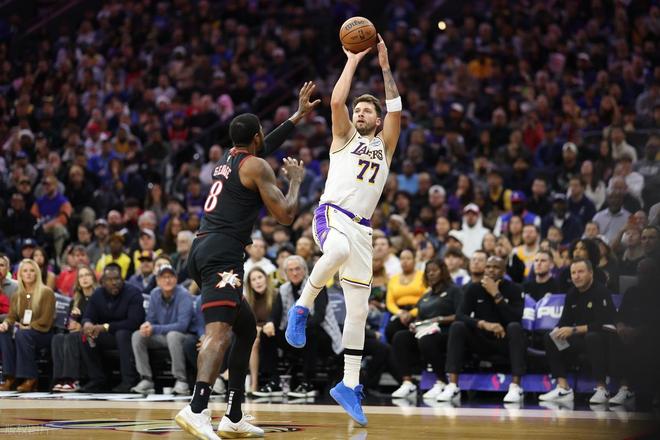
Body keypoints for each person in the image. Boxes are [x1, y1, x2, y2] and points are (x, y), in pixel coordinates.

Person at [176, 81, 318, 439]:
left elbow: (263, 147)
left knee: (245, 327)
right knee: (219, 332)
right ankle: (196, 408)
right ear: (256, 137)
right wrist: (296, 182)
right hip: (223, 254)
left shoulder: (229, 159)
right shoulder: (257, 166)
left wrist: (297, 117)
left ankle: (234, 414)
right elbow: (285, 215)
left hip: (202, 248)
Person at [285, 35, 401, 426]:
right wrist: (352, 60)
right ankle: (302, 307)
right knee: (334, 252)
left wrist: (384, 67)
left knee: (358, 311)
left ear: (378, 119)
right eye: (359, 110)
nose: (361, 113)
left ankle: (349, 385)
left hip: (363, 231)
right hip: (332, 214)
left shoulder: (386, 145)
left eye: (368, 110)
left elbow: (396, 108)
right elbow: (336, 102)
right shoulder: (344, 137)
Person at [437, 256, 526, 403]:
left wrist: (496, 294)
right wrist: (483, 324)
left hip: (504, 341)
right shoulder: (474, 288)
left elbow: (515, 318)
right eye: (488, 267)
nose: (491, 270)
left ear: (504, 271)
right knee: (458, 326)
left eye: (496, 267)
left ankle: (516, 387)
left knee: (515, 327)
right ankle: (453, 386)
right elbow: (460, 315)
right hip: (481, 341)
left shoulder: (515, 289)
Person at [256, 256, 340, 398]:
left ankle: (307, 383)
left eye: (297, 269)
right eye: (290, 270)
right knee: (266, 334)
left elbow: (319, 317)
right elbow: (275, 315)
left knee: (310, 332)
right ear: (286, 273)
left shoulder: (317, 286)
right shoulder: (283, 289)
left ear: (304, 270)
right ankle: (274, 381)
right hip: (295, 336)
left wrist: (299, 326)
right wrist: (270, 324)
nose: (294, 273)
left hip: (322, 337)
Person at [539, 259, 616, 404]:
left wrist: (574, 330)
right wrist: (557, 330)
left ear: (591, 273)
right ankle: (563, 388)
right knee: (551, 337)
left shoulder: (601, 291)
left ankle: (602, 389)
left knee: (592, 337)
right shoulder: (572, 294)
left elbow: (603, 323)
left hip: (603, 340)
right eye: (573, 273)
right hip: (581, 340)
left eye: (580, 272)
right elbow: (564, 321)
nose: (576, 276)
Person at [390, 259, 462, 399]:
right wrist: (415, 325)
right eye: (428, 271)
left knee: (426, 339)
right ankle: (408, 383)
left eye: (434, 270)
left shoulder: (454, 290)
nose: (430, 274)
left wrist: (439, 319)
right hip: (424, 331)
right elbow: (419, 318)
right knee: (400, 337)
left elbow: (461, 315)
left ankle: (442, 381)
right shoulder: (425, 296)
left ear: (443, 271)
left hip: (447, 332)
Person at [80, 263, 146, 393]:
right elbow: (88, 316)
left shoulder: (133, 293)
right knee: (85, 336)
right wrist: (87, 324)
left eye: (117, 279)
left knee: (122, 334)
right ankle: (97, 379)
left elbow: (134, 322)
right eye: (109, 280)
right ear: (103, 282)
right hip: (108, 335)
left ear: (122, 279)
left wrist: (106, 327)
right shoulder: (98, 294)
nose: (114, 282)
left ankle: (128, 381)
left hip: (130, 334)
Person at [131, 264, 193, 395]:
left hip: (183, 336)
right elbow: (151, 319)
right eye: (163, 277)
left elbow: (183, 325)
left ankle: (181, 380)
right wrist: (146, 326)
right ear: (157, 280)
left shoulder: (184, 295)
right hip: (161, 336)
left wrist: (154, 328)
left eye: (170, 276)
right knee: (137, 335)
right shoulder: (154, 293)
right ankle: (146, 379)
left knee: (173, 335)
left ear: (176, 279)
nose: (167, 280)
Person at [0, 259, 55, 392]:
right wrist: (6, 324)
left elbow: (46, 320)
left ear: (37, 273)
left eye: (32, 271)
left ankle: (31, 378)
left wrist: (29, 326)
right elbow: (12, 316)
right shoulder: (17, 295)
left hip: (43, 333)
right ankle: (10, 377)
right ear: (20, 274)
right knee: (4, 332)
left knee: (22, 334)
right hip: (24, 332)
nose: (28, 274)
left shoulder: (46, 292)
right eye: (25, 271)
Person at [51, 264, 98, 392]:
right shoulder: (76, 300)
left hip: (93, 334)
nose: (84, 278)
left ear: (93, 278)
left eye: (87, 275)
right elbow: (69, 322)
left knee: (71, 337)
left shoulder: (99, 297)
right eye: (81, 276)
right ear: (78, 281)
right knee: (58, 338)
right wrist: (71, 323)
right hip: (76, 334)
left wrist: (81, 326)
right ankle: (59, 379)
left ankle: (72, 379)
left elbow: (101, 319)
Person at [243, 267, 276, 395]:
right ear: (250, 284)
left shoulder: (275, 295)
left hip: (273, 332)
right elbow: (247, 321)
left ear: (266, 279)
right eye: (253, 279)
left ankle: (253, 383)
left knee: (254, 340)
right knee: (251, 339)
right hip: (254, 335)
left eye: (260, 277)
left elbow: (276, 318)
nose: (257, 281)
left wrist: (259, 328)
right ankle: (252, 382)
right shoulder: (248, 300)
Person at [384, 249, 426, 342]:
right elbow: (390, 302)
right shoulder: (393, 279)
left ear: (414, 260)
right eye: (402, 258)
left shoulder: (423, 276)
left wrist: (411, 313)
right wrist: (400, 313)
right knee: (390, 330)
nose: (405, 261)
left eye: (408, 258)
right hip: (400, 313)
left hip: (418, 311)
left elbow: (426, 299)